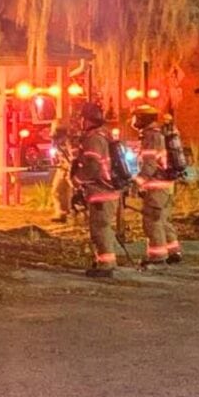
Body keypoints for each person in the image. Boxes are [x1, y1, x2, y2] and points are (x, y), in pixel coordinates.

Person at [71, 102, 121, 278]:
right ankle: (103, 260)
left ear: (87, 120)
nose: (80, 122)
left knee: (100, 228)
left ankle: (106, 265)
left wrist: (76, 180)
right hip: (106, 189)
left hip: (101, 191)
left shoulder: (93, 138)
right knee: (101, 227)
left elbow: (92, 166)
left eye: (82, 119)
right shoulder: (104, 135)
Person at [132, 104, 182, 267]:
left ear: (142, 119)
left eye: (136, 117)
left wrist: (137, 182)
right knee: (162, 219)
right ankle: (173, 252)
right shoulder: (160, 133)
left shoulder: (151, 136)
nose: (133, 121)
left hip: (155, 185)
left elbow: (150, 165)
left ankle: (157, 258)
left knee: (152, 221)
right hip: (166, 185)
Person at [49, 118, 74, 224]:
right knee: (58, 191)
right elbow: (55, 157)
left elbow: (72, 156)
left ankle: (67, 213)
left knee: (66, 191)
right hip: (63, 169)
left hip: (69, 169)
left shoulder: (68, 141)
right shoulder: (57, 142)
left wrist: (70, 168)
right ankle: (62, 213)